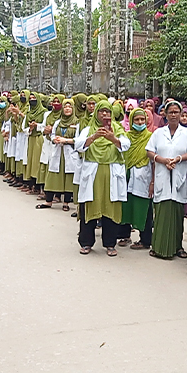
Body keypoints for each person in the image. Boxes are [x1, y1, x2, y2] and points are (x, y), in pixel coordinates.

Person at [74, 99, 130, 256]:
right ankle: (86, 243)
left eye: (107, 111)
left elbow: (126, 145)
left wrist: (112, 138)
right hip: (94, 173)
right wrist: (94, 137)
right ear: (96, 113)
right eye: (101, 111)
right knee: (90, 207)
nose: (104, 114)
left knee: (110, 208)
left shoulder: (117, 128)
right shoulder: (89, 128)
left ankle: (110, 244)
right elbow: (78, 145)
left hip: (112, 172)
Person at [146, 101, 187, 259]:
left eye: (176, 112)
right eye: (171, 112)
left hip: (178, 174)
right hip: (161, 173)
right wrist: (162, 160)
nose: (174, 115)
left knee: (177, 212)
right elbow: (149, 151)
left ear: (181, 114)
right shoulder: (158, 133)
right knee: (161, 212)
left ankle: (177, 246)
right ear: (165, 114)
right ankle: (158, 247)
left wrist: (178, 159)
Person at [120, 109, 154, 250]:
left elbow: (154, 160)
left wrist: (152, 181)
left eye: (142, 120)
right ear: (131, 120)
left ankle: (145, 240)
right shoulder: (126, 137)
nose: (140, 123)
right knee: (125, 205)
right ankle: (124, 235)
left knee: (144, 207)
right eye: (137, 120)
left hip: (144, 176)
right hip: (127, 174)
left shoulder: (151, 137)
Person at [38, 98, 78, 210]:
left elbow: (79, 139)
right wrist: (54, 139)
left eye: (70, 107)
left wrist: (66, 140)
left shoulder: (77, 122)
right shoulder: (58, 122)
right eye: (65, 107)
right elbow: (52, 134)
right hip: (58, 152)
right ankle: (48, 201)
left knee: (68, 178)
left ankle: (66, 203)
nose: (67, 109)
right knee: (53, 176)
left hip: (70, 153)